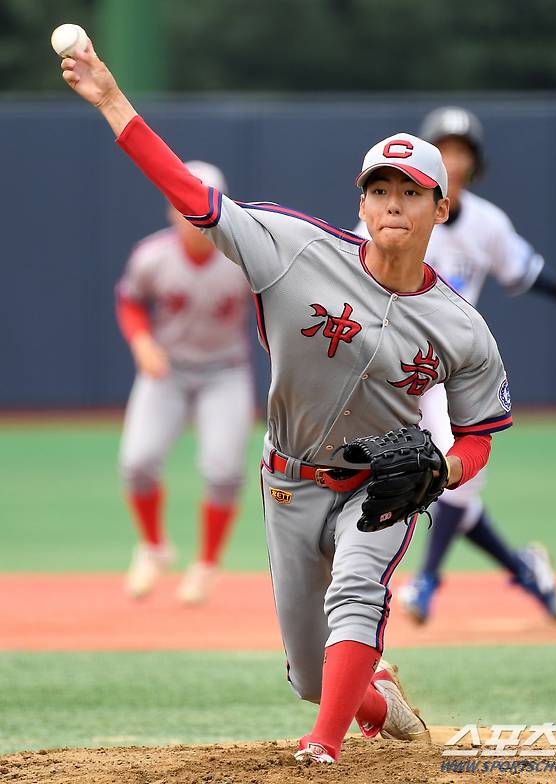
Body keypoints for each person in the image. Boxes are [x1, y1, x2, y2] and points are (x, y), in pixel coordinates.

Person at [60, 44, 514, 764]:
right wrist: (113, 100)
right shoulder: (293, 250)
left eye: (411, 192)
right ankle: (372, 697)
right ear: (362, 201)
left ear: (441, 206)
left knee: (359, 591)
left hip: (382, 484)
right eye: (380, 190)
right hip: (290, 481)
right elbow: (190, 194)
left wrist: (443, 473)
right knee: (309, 674)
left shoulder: (462, 327)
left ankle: (323, 746)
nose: (393, 204)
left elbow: (481, 433)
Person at [355, 106, 556, 624]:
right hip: (395, 362)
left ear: (473, 163)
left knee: (450, 476)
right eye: (445, 148)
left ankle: (425, 581)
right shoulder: (392, 213)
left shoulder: (487, 223)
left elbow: (523, 269)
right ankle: (524, 568)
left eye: (462, 151)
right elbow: (350, 266)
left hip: (451, 362)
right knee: (438, 486)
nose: (454, 158)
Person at [116, 162, 253, 604]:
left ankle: (206, 563)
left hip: (225, 372)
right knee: (137, 462)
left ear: (221, 208)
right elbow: (130, 301)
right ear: (171, 206)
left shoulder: (243, 258)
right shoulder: (152, 256)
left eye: (203, 201)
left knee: (224, 470)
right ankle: (154, 547)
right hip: (168, 370)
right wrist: (141, 343)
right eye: (183, 201)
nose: (192, 211)